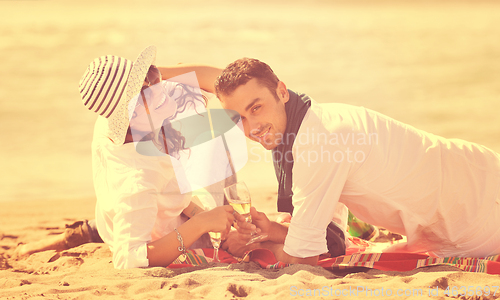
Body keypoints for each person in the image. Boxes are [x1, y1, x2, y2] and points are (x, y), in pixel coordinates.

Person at [216, 57, 500, 265]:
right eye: (238, 118)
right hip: (477, 176)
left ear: (281, 91)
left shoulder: (318, 143)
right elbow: (321, 234)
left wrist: (251, 248)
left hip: (476, 219)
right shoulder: (313, 120)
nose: (251, 126)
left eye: (256, 108)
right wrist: (272, 231)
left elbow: (303, 258)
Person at [14, 46, 237, 269]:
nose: (158, 89)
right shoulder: (137, 179)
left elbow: (223, 81)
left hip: (127, 213)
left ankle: (70, 237)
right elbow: (128, 258)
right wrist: (202, 223)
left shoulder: (117, 121)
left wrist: (157, 74)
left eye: (150, 77)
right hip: (159, 232)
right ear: (130, 115)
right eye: (142, 93)